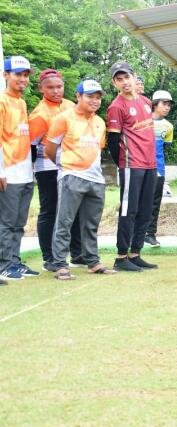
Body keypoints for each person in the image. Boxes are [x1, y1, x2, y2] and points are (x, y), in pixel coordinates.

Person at [44, 79, 115, 279]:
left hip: (96, 180)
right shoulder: (64, 118)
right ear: (78, 96)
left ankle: (93, 262)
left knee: (91, 224)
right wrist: (65, 166)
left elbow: (98, 148)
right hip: (71, 176)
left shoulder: (100, 121)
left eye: (98, 97)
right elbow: (50, 149)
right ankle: (60, 264)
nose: (95, 101)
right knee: (64, 222)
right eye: (90, 96)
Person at [28, 69, 82, 272]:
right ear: (41, 88)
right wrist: (33, 170)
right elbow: (31, 146)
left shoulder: (71, 106)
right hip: (47, 169)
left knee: (74, 210)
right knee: (49, 211)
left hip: (71, 166)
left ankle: (78, 253)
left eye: (59, 86)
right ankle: (49, 257)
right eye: (50, 87)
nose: (56, 91)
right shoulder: (39, 114)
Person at [106, 61, 158, 272]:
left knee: (146, 210)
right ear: (114, 83)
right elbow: (112, 141)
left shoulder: (146, 101)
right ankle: (121, 257)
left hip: (150, 164)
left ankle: (135, 253)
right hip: (131, 165)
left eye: (127, 77)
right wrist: (124, 163)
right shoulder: (116, 106)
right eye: (119, 79)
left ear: (134, 77)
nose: (124, 82)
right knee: (129, 210)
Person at [0, 55, 37, 281]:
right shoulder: (2, 101)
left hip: (25, 172)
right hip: (9, 171)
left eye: (25, 75)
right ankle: (4, 264)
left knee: (19, 222)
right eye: (18, 74)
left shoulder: (21, 102)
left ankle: (14, 261)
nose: (23, 79)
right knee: (7, 222)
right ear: (5, 75)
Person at [145, 90, 173, 248]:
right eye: (164, 104)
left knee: (155, 203)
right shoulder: (143, 121)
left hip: (159, 169)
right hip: (141, 167)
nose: (167, 107)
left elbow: (164, 147)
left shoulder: (168, 126)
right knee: (140, 201)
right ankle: (136, 233)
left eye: (169, 104)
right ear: (155, 104)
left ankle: (150, 234)